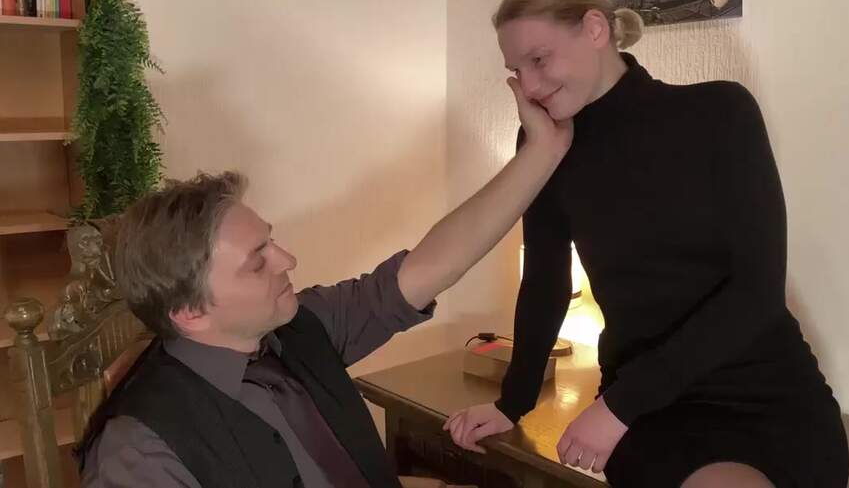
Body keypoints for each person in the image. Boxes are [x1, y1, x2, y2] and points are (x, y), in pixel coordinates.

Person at [444, 0, 849, 488]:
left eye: (538, 59)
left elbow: (756, 293)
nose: (530, 85)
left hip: (765, 392)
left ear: (595, 29)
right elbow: (545, 281)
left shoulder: (720, 113)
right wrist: (513, 402)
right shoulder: (544, 146)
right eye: (516, 71)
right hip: (657, 417)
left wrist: (618, 407)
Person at [78, 75, 572, 488]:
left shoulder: (299, 327)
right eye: (257, 262)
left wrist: (542, 152)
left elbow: (433, 265)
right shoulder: (140, 453)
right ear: (190, 312)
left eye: (271, 241)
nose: (288, 260)